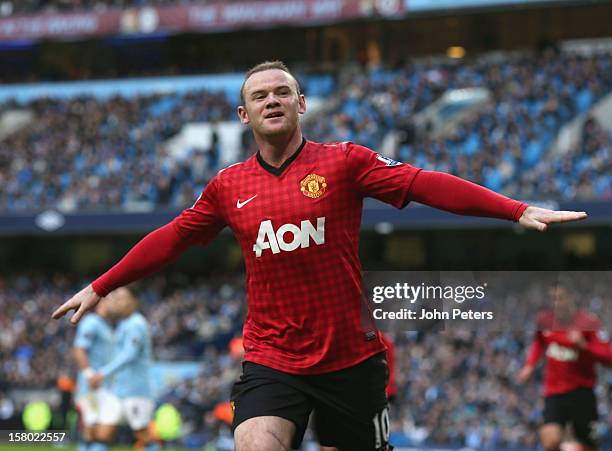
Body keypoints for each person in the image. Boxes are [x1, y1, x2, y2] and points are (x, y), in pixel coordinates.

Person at [53, 60, 587, 451]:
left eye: (283, 92)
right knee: (256, 444)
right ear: (244, 114)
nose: (272, 101)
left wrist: (513, 209)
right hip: (272, 357)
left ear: (301, 103)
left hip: (350, 359)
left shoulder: (344, 163)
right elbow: (171, 237)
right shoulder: (226, 186)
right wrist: (101, 285)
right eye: (260, 95)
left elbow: (424, 184)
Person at [517, 284, 612, 451]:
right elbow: (539, 342)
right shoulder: (544, 320)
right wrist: (530, 365)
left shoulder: (589, 322)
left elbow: (608, 357)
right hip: (555, 392)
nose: (556, 303)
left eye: (560, 298)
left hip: (582, 392)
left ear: (571, 298)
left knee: (590, 445)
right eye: (552, 299)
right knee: (550, 440)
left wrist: (584, 347)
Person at [88, 287, 159, 451]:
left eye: (120, 298)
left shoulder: (136, 323)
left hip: (137, 390)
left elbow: (129, 354)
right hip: (118, 390)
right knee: (102, 433)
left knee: (143, 435)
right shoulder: (122, 324)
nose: (116, 302)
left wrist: (102, 374)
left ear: (133, 302)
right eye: (114, 298)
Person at [72, 296, 114, 451]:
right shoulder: (91, 323)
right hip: (92, 385)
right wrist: (89, 375)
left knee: (98, 429)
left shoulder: (107, 326)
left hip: (103, 385)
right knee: (93, 428)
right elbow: (79, 349)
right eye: (109, 301)